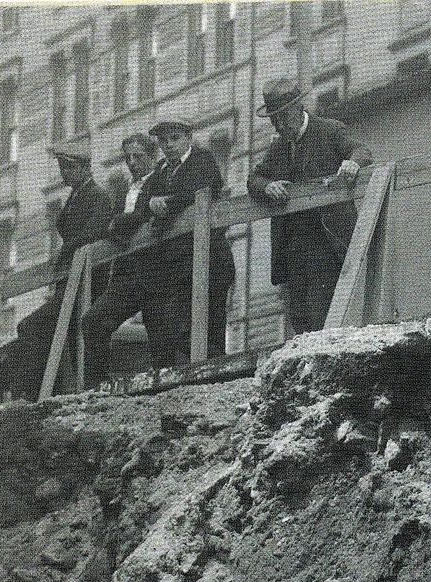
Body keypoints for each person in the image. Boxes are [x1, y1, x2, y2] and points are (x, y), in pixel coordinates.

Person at [0, 137, 115, 400]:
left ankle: (34, 392)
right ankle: (48, 392)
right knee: (58, 336)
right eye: (62, 167)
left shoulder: (98, 197)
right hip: (68, 284)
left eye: (68, 167)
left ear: (84, 168)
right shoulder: (75, 197)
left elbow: (94, 232)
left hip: (88, 283)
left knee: (33, 326)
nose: (64, 173)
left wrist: (65, 249)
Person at [246, 78, 370, 334]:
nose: (279, 125)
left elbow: (361, 151)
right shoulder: (279, 146)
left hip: (327, 241)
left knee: (321, 314)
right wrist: (267, 186)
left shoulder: (328, 130)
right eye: (273, 120)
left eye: (283, 117)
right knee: (299, 316)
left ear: (298, 107)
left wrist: (352, 163)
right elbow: (253, 179)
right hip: (292, 246)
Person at [144, 118, 235, 367]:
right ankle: (218, 366)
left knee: (212, 325)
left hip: (211, 259)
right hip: (180, 264)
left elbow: (201, 189)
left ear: (188, 137)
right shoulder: (160, 172)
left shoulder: (202, 160)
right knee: (177, 323)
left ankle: (219, 374)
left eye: (175, 138)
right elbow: (144, 202)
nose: (169, 145)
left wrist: (165, 203)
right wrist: (151, 203)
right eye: (163, 141)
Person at [80, 132, 166, 387]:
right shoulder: (125, 189)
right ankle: (97, 387)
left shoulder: (161, 181)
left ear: (152, 156)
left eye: (138, 156)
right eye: (127, 157)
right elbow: (111, 223)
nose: (132, 162)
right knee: (94, 321)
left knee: (162, 340)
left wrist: (120, 224)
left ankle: (166, 394)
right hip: (126, 275)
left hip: (155, 270)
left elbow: (141, 217)